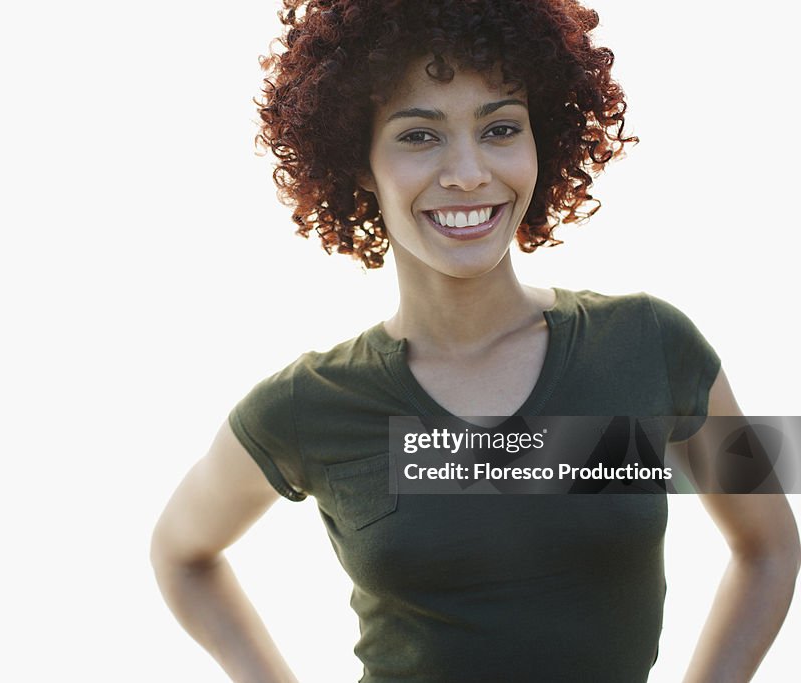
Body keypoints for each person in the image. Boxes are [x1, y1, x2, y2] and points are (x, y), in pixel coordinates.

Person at [150, 0, 801, 680]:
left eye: (499, 128)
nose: (467, 171)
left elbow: (770, 547)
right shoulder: (307, 407)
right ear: (358, 161)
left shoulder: (650, 345)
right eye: (419, 135)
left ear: (540, 139)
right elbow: (180, 552)